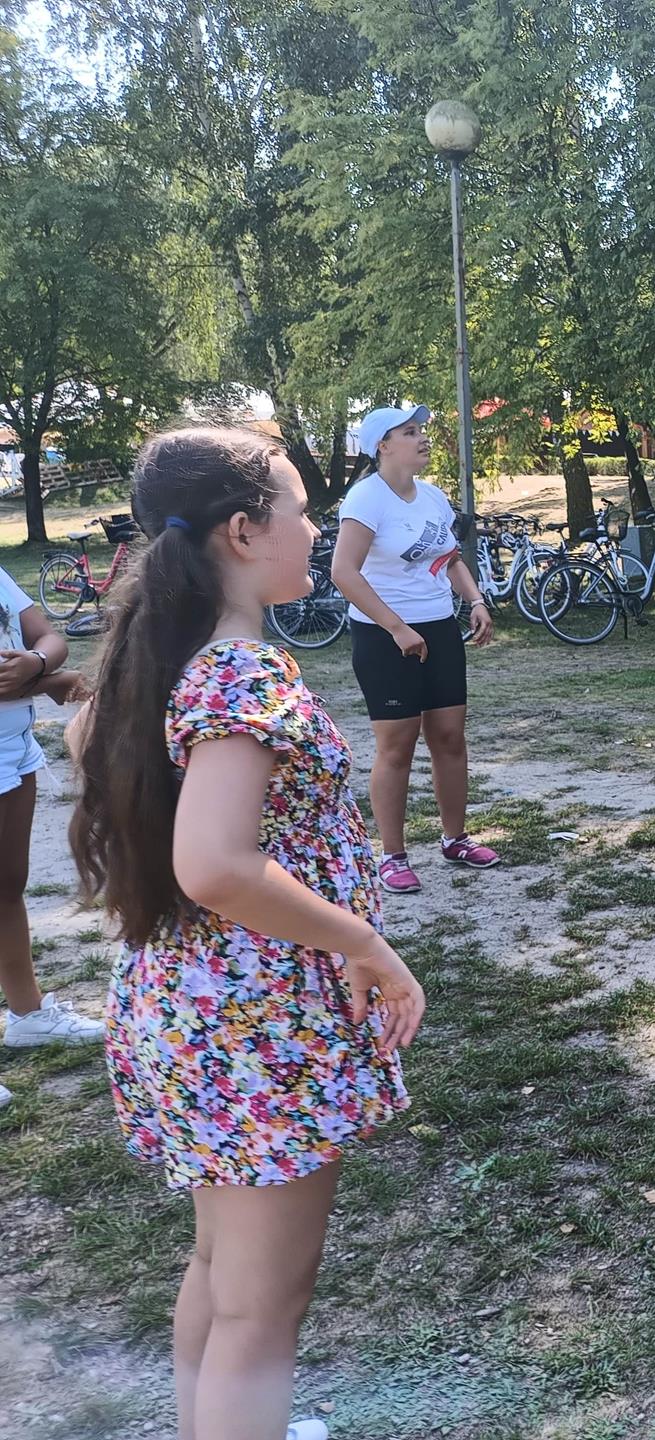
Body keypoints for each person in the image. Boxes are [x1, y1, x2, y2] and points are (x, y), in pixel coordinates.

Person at [67, 428, 425, 1440]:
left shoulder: (166, 659)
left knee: (225, 1278)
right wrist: (365, 943)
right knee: (262, 1310)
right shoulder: (241, 674)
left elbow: (88, 738)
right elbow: (217, 864)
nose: (315, 529)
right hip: (256, 1023)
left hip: (193, 1007)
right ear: (242, 531)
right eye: (301, 510)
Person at [330, 405, 499, 894]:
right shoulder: (366, 498)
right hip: (384, 637)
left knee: (449, 737)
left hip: (438, 629)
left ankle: (455, 839)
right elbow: (343, 572)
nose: (422, 438)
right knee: (397, 747)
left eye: (420, 430)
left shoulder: (433, 497)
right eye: (409, 432)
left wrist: (475, 600)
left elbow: (449, 557)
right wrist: (397, 628)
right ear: (382, 445)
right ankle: (392, 855)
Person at [0, 571, 100, 1110]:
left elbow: (49, 636)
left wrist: (38, 663)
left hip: (12, 748)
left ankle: (28, 1014)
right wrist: (49, 680)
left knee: (7, 886)